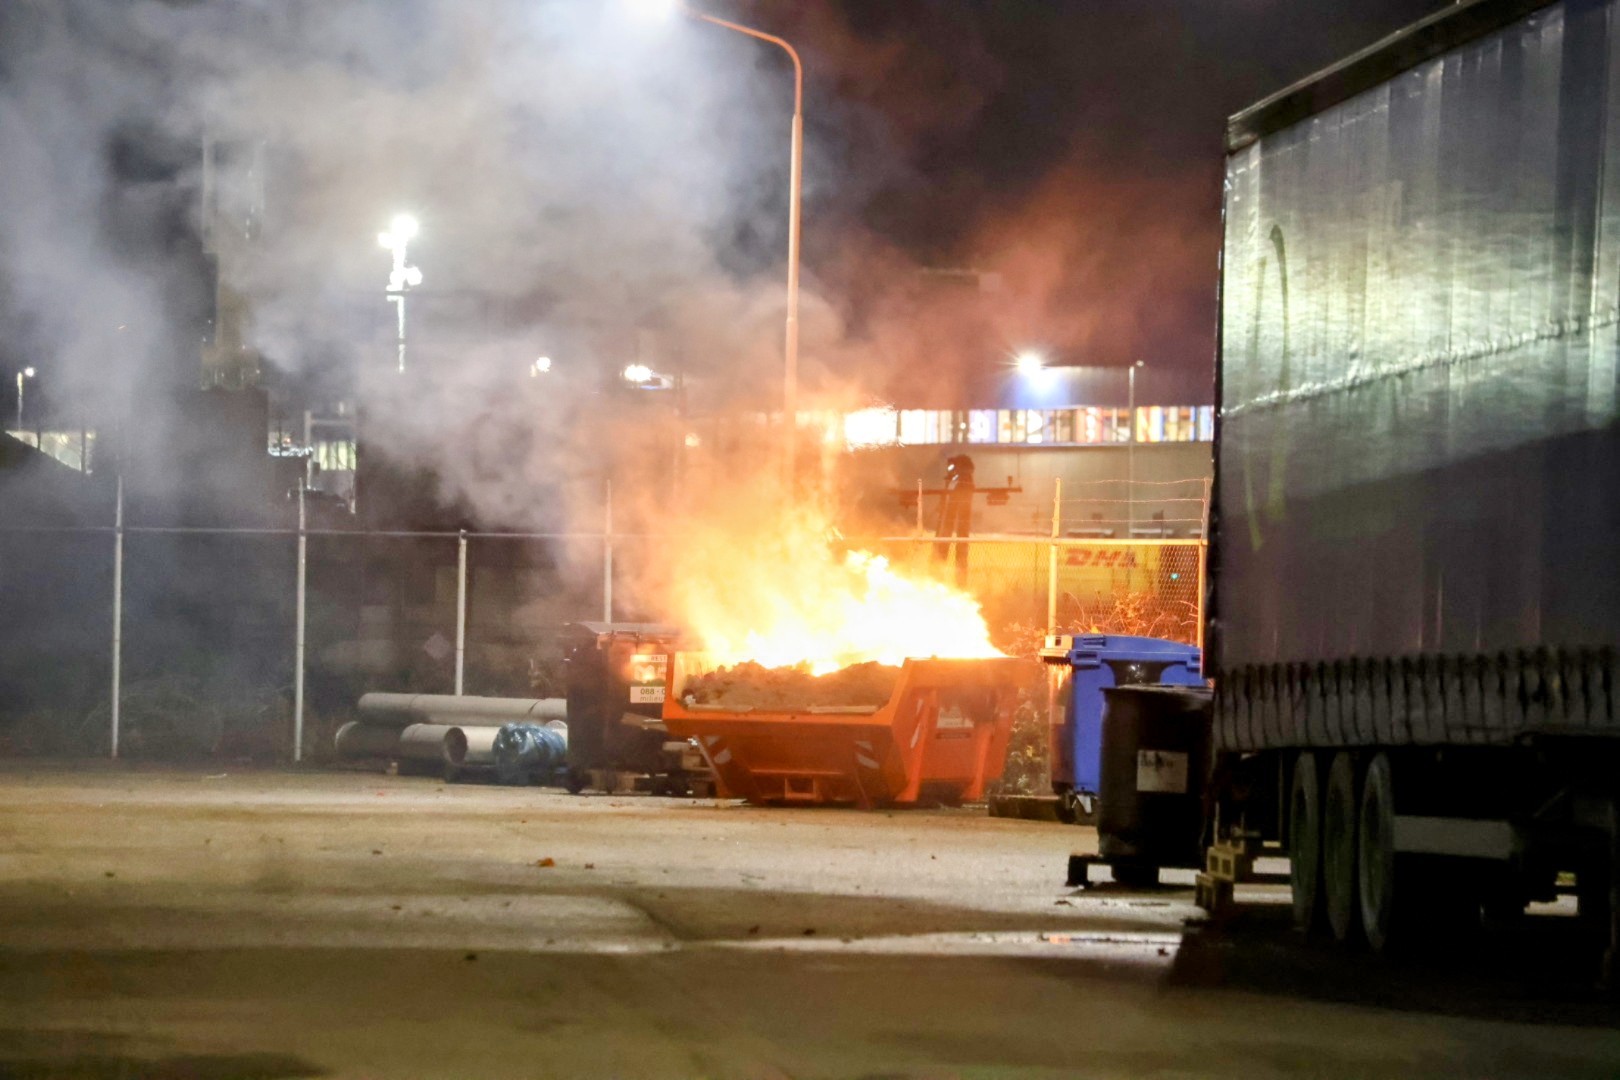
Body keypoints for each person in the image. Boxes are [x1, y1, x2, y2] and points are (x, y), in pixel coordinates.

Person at [933, 454, 975, 587]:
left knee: (952, 539)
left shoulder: (961, 479)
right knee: (955, 540)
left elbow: (954, 488)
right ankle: (955, 579)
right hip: (957, 510)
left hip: (958, 510)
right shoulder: (963, 478)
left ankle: (947, 577)